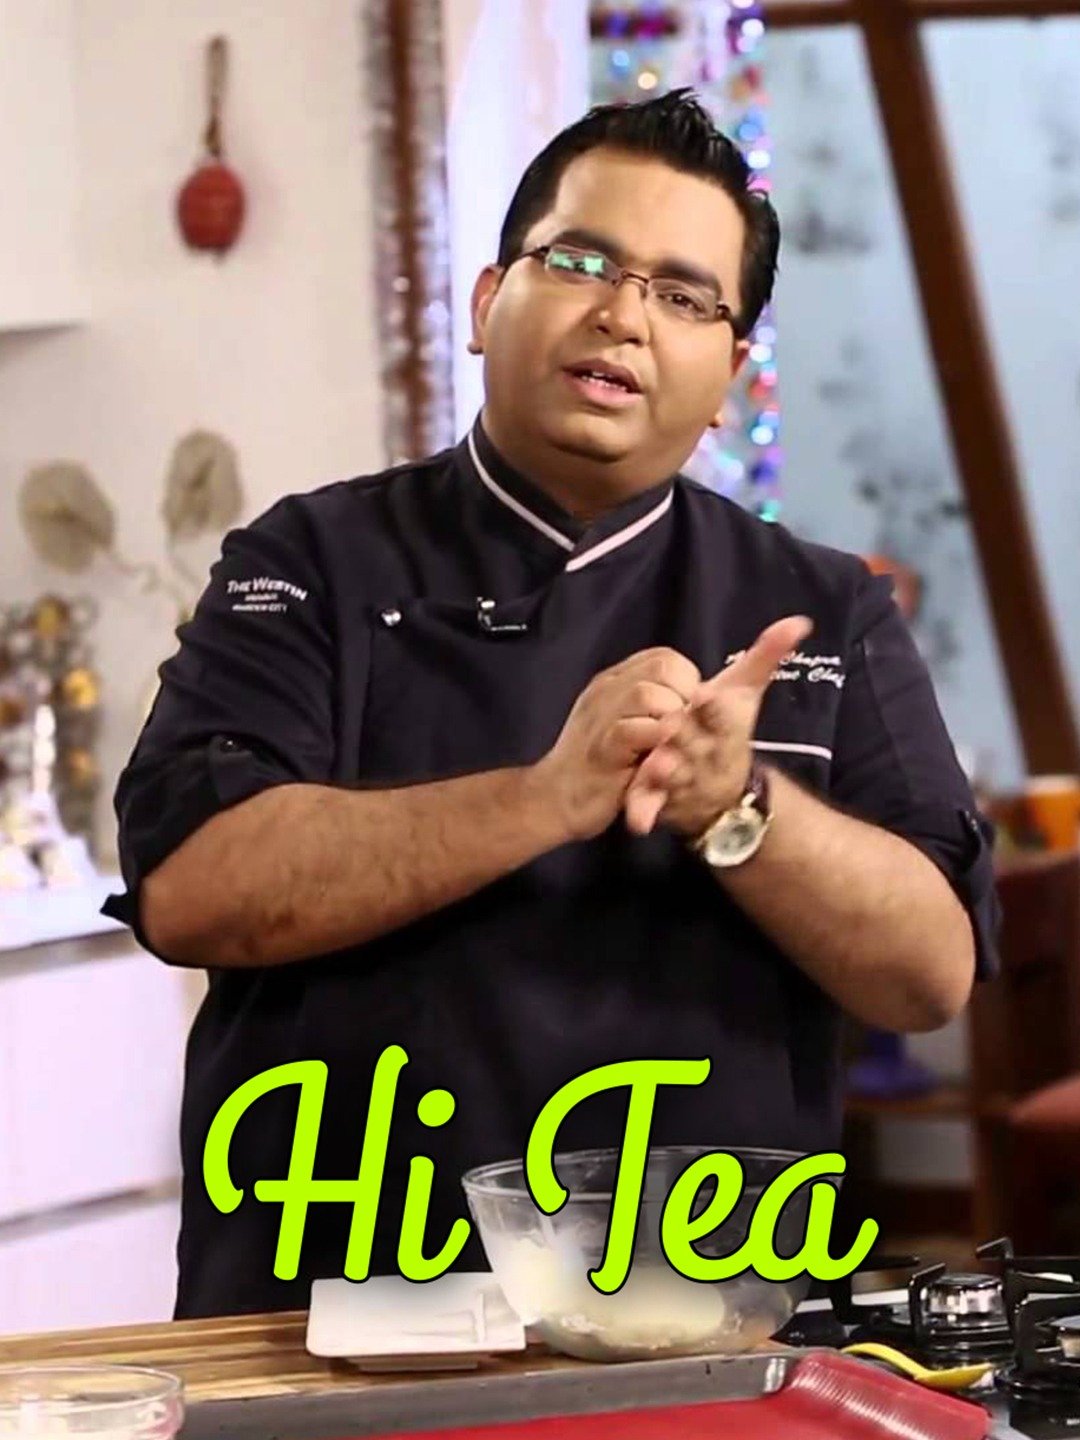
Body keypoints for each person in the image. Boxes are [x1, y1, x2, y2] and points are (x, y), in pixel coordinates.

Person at [104, 89, 998, 1319]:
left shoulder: (819, 607)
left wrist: (737, 807)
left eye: (684, 295)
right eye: (580, 262)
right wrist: (547, 795)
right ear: (487, 304)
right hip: (331, 1309)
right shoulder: (311, 560)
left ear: (732, 376)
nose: (622, 315)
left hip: (695, 1314)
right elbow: (193, 890)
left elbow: (930, 973)